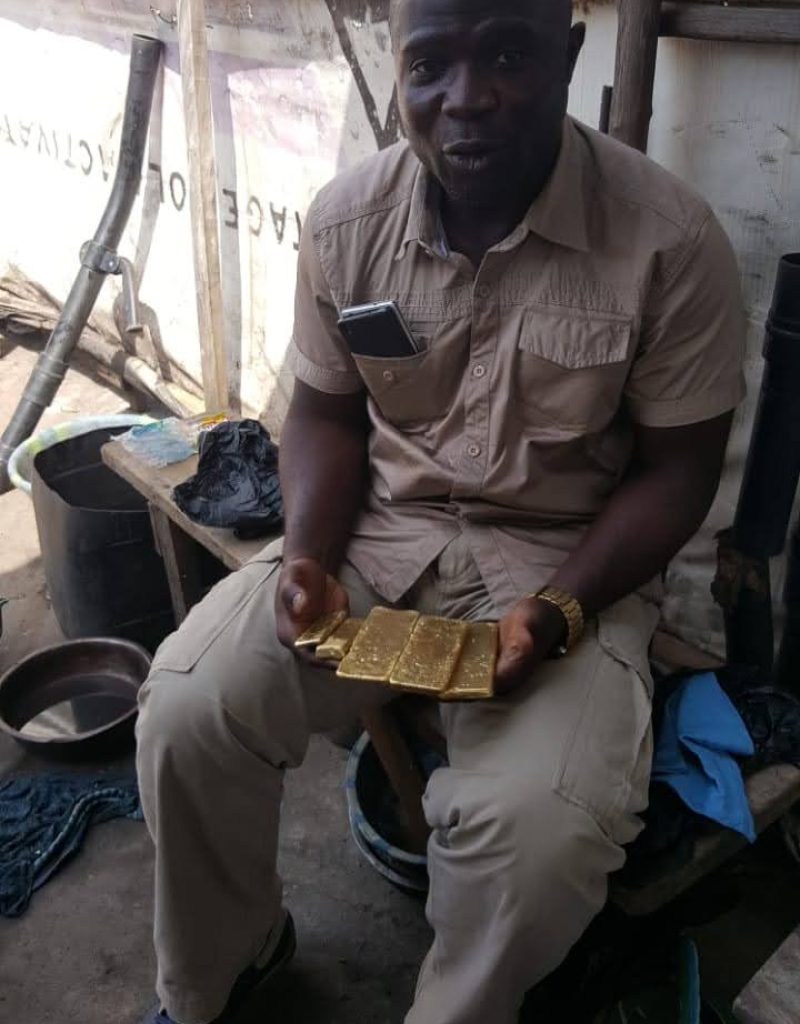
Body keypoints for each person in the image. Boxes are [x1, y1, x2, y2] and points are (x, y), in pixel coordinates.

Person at [138, 0, 745, 1021]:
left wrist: (560, 607)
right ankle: (223, 968)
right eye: (430, 65)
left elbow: (676, 471)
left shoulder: (668, 241)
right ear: (398, 70)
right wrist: (306, 554)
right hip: (379, 537)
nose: (466, 98)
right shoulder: (345, 222)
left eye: (505, 53)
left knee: (537, 837)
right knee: (187, 708)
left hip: (569, 563)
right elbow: (325, 416)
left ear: (567, 50)